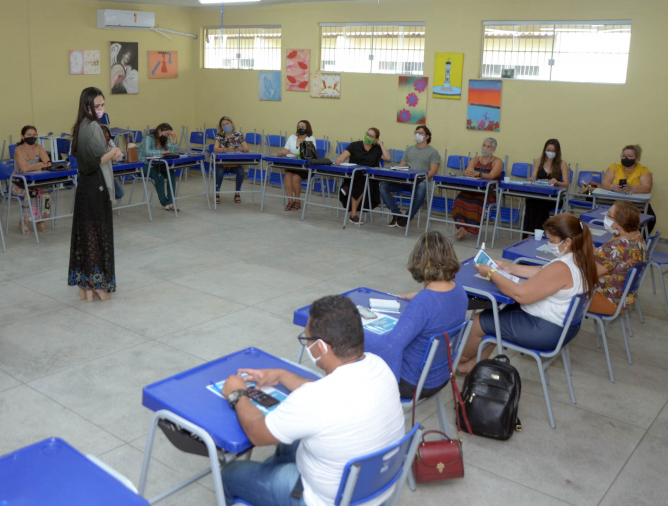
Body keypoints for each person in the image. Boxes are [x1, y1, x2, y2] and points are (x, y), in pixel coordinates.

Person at [220, 295, 404, 506]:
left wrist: (237, 394)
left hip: (322, 499)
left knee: (230, 475)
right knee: (290, 443)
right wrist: (281, 375)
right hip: (376, 488)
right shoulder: (379, 366)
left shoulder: (314, 400)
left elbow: (257, 433)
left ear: (321, 348)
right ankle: (269, 476)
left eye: (307, 339)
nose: (306, 344)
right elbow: (328, 394)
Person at [459, 213, 597, 374]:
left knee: (476, 322)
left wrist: (491, 274)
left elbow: (520, 295)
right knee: (497, 314)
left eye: (552, 241)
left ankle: (455, 360)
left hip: (545, 330)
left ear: (567, 241)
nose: (549, 244)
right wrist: (510, 268)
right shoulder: (581, 258)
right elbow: (542, 271)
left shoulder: (562, 267)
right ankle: (473, 363)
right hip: (563, 328)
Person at [366, 232, 468, 398]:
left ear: (419, 260)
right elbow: (440, 302)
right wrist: (417, 295)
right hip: (441, 376)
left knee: (351, 348)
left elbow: (391, 347)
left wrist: (359, 334)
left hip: (412, 382)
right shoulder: (459, 290)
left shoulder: (423, 303)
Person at [67, 87, 123, 302]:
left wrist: (110, 153)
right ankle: (96, 283)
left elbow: (95, 156)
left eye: (102, 105)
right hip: (94, 186)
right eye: (97, 106)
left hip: (88, 186)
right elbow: (90, 164)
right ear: (87, 106)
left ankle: (87, 283)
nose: (101, 109)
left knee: (90, 235)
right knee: (95, 236)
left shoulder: (83, 125)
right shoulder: (91, 127)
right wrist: (112, 153)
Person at [589, 200, 646, 315]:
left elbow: (589, 271)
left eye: (609, 215)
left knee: (561, 293)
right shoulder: (636, 237)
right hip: (625, 297)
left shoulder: (617, 246)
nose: (606, 217)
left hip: (608, 299)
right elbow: (610, 258)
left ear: (619, 223)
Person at [379, 125, 440, 228]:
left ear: (427, 137)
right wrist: (396, 172)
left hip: (420, 181)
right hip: (405, 180)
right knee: (383, 187)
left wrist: (422, 178)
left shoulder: (433, 152)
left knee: (422, 189)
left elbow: (433, 171)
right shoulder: (409, 149)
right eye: (416, 133)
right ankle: (397, 214)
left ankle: (407, 217)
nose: (417, 135)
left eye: (420, 133)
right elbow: (402, 166)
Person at [333, 127, 391, 224]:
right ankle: (353, 215)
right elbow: (341, 158)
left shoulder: (376, 149)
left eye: (371, 136)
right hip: (353, 176)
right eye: (367, 134)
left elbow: (387, 157)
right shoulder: (354, 145)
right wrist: (338, 161)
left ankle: (348, 191)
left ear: (375, 139)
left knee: (362, 182)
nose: (368, 137)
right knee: (360, 182)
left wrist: (380, 144)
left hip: (370, 179)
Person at [450, 137, 504, 240]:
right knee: (459, 199)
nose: (485, 148)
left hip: (488, 192)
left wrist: (478, 174)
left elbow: (492, 175)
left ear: (494, 149)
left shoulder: (497, 161)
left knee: (476, 202)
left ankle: (470, 228)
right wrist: (470, 173)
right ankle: (462, 228)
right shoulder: (475, 159)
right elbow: (467, 172)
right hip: (472, 189)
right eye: (484, 145)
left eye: (489, 147)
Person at [521, 139, 570, 239]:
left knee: (541, 203)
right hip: (539, 193)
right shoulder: (539, 161)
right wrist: (531, 179)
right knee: (530, 201)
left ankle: (538, 234)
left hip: (554, 197)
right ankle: (528, 234)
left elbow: (566, 183)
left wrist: (557, 182)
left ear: (557, 151)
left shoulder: (562, 164)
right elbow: (533, 177)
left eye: (553, 150)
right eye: (548, 150)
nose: (550, 152)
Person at [601, 144, 655, 233]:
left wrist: (632, 188)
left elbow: (647, 187)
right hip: (614, 202)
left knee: (650, 216)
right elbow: (604, 183)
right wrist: (613, 187)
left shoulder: (643, 170)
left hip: (634, 204)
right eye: (624, 156)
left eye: (630, 156)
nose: (626, 159)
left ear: (637, 158)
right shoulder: (614, 167)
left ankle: (636, 238)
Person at [11, 125, 52, 235]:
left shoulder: (39, 147)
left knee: (45, 192)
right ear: (23, 136)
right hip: (18, 183)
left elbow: (48, 164)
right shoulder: (18, 149)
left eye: (34, 135)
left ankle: (41, 220)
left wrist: (36, 166)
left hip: (35, 181)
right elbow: (23, 169)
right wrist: (39, 164)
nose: (32, 137)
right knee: (30, 193)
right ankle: (23, 221)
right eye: (29, 135)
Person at [138, 123, 180, 211]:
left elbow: (171, 152)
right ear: (159, 131)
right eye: (166, 134)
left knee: (171, 174)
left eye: (168, 135)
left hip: (157, 165)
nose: (166, 136)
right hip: (143, 165)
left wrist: (174, 138)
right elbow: (147, 152)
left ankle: (171, 201)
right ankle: (164, 203)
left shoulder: (164, 140)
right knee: (158, 175)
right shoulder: (148, 139)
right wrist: (162, 152)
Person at [276, 120, 315, 211]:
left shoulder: (311, 139)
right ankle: (290, 201)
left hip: (305, 167)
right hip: (293, 165)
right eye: (299, 127)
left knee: (295, 178)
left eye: (303, 127)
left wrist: (293, 153)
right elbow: (286, 150)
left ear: (307, 128)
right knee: (287, 175)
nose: (300, 128)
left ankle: (297, 201)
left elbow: (308, 154)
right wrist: (282, 153)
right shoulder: (292, 137)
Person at [214, 116, 249, 204]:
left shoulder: (238, 134)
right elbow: (215, 149)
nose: (226, 126)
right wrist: (227, 149)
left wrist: (238, 149)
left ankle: (237, 193)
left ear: (231, 124)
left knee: (241, 172)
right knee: (219, 173)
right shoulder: (220, 136)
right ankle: (217, 193)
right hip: (222, 163)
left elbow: (246, 148)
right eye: (223, 125)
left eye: (227, 124)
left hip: (235, 163)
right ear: (221, 127)